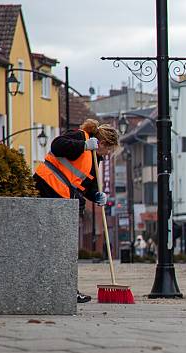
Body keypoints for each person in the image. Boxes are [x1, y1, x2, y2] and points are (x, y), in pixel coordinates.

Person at [33, 119, 119, 304]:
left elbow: (86, 186)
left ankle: (67, 288)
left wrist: (96, 195)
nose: (108, 155)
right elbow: (57, 145)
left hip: (64, 200)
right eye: (109, 150)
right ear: (102, 143)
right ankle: (61, 288)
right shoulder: (80, 137)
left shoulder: (95, 160)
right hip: (46, 187)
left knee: (64, 247)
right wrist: (84, 145)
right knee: (54, 244)